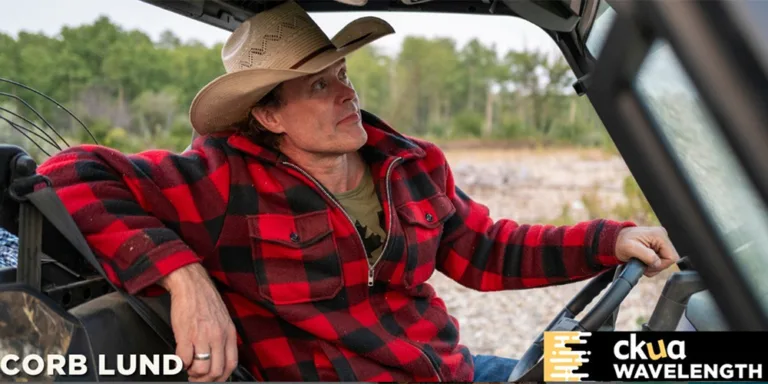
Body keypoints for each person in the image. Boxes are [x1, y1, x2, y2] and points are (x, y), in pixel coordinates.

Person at [37, 1, 680, 382]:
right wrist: (184, 278)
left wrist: (609, 238)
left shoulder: (409, 163)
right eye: (319, 86)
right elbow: (70, 176)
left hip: (450, 371)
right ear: (268, 116)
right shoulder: (223, 181)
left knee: (653, 364)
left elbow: (483, 249)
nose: (348, 93)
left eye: (342, 74)